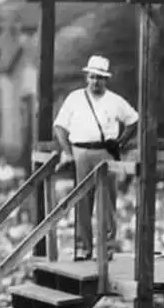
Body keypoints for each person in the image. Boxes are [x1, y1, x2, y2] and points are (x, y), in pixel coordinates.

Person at [53, 55, 139, 261]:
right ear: (86, 77)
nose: (95, 81)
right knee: (82, 201)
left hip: (105, 152)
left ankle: (107, 247)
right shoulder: (75, 98)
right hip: (80, 151)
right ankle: (83, 247)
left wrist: (120, 142)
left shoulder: (115, 100)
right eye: (92, 77)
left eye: (100, 78)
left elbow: (133, 120)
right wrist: (68, 151)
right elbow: (60, 126)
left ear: (106, 79)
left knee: (107, 201)